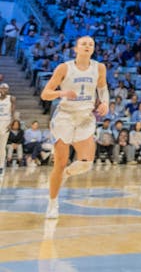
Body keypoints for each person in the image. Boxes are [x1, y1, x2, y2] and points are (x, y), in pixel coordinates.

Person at [40, 35, 109, 219]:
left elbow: (102, 89)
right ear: (76, 49)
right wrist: (62, 92)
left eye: (91, 44)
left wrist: (105, 103)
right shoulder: (64, 68)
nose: (88, 46)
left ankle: (67, 174)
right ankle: (53, 203)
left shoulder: (99, 68)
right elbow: (45, 94)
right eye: (84, 43)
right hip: (65, 116)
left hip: (85, 116)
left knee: (86, 164)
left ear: (93, 49)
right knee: (60, 163)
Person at [0, 83, 14, 174]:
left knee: (2, 146)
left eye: (5, 88)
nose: (4, 90)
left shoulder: (11, 98)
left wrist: (11, 123)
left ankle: (1, 166)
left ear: (8, 89)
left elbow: (13, 112)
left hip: (5, 123)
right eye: (2, 88)